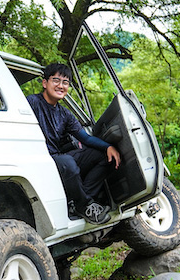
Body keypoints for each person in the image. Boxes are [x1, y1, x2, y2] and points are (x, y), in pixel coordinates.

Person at [26, 63, 121, 225]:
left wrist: (109, 147)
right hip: (40, 158)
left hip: (57, 157)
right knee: (68, 162)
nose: (61, 86)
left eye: (65, 82)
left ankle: (81, 203)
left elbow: (86, 138)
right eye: (56, 80)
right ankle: (84, 205)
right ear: (44, 83)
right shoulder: (32, 102)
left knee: (102, 157)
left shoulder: (65, 114)